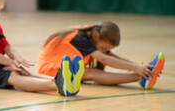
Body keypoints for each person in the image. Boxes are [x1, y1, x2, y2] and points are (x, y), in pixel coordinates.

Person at [37, 21, 165, 90]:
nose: (104, 50)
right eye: (103, 48)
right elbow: (104, 59)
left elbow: (112, 56)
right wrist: (137, 70)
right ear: (97, 36)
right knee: (90, 73)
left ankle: (142, 77)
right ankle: (138, 78)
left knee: (89, 72)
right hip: (50, 71)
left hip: (61, 67)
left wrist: (139, 67)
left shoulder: (91, 34)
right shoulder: (80, 38)